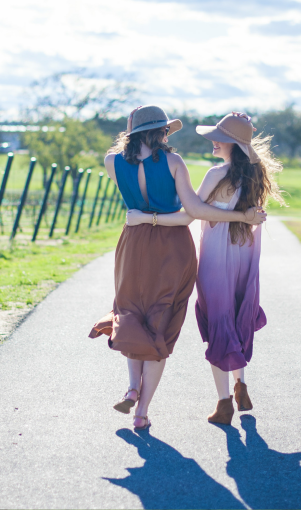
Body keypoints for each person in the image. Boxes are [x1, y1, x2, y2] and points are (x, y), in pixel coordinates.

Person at [89, 106, 266, 431]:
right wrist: (244, 217)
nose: (169, 136)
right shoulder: (175, 163)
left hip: (134, 241)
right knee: (166, 318)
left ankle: (133, 386)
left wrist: (143, 215)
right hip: (178, 246)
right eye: (166, 131)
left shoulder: (111, 162)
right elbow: (191, 212)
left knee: (131, 310)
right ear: (159, 132)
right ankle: (144, 410)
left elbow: (181, 205)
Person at [126, 112, 283, 425]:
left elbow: (193, 211)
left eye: (218, 138)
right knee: (238, 314)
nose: (213, 142)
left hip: (216, 256)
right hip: (245, 254)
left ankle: (224, 402)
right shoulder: (255, 175)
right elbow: (250, 215)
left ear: (231, 144)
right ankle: (241, 384)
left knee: (218, 320)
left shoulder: (216, 175)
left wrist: (146, 218)